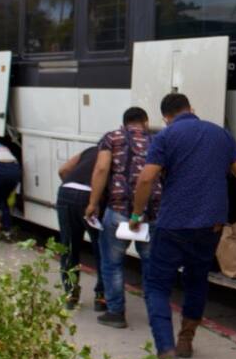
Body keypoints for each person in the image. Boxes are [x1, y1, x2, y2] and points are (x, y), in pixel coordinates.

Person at [130, 93, 236, 359]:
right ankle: (186, 340)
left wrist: (137, 215)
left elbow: (146, 179)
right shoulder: (220, 134)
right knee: (196, 281)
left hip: (173, 224)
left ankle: (166, 348)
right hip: (211, 226)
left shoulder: (165, 136)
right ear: (192, 109)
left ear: (166, 118)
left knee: (157, 285)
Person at [84, 107, 161, 328]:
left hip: (119, 210)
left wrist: (92, 203)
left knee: (112, 263)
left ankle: (116, 313)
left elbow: (101, 169)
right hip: (152, 212)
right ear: (145, 122)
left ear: (124, 123)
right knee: (152, 266)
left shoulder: (112, 138)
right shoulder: (157, 140)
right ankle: (156, 315)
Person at [56, 145, 106, 310]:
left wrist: (73, 193)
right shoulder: (115, 153)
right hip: (91, 196)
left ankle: (71, 294)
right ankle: (101, 297)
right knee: (101, 247)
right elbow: (102, 172)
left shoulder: (91, 150)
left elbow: (63, 170)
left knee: (69, 246)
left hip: (66, 192)